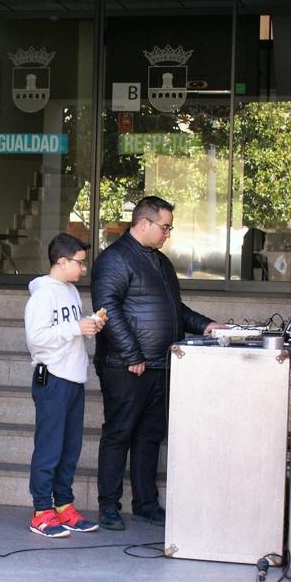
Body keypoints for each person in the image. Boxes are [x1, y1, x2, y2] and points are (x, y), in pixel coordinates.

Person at [91, 196, 225, 530]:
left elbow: (174, 308)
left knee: (150, 436)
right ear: (144, 223)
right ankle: (108, 506)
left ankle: (146, 504)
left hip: (160, 364)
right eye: (165, 227)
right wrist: (132, 355)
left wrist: (205, 325)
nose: (168, 234)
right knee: (119, 434)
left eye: (170, 228)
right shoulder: (114, 259)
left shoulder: (160, 262)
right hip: (126, 366)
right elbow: (108, 308)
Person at [24, 233, 105, 538]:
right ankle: (42, 510)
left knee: (69, 448)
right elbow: (36, 337)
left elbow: (67, 330)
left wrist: (87, 325)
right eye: (79, 263)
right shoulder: (43, 295)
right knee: (49, 449)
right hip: (53, 378)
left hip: (73, 378)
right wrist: (76, 328)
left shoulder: (71, 292)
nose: (83, 269)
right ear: (61, 262)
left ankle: (63, 506)